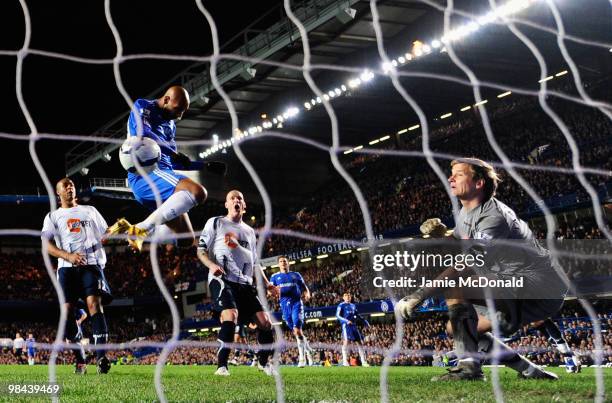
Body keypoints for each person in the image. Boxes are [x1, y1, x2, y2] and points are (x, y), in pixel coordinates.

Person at [397, 158, 567, 381]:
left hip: (539, 287)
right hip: (512, 284)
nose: (450, 178)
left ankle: (470, 369)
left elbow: (466, 264)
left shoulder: (494, 217)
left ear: (478, 183)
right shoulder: (466, 213)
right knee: (456, 329)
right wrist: (443, 233)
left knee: (456, 288)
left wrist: (418, 295)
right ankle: (529, 370)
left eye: (458, 174)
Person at [108, 86, 207, 251]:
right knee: (198, 192)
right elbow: (143, 132)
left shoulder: (170, 126)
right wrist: (173, 153)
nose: (180, 115)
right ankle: (142, 228)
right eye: (178, 109)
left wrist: (204, 166)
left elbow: (174, 161)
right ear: (167, 100)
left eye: (184, 111)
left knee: (185, 239)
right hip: (147, 174)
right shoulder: (143, 106)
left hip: (162, 176)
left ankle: (129, 229)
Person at [196, 190, 279, 376]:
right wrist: (211, 265)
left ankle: (263, 362)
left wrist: (268, 284)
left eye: (239, 198)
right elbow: (200, 250)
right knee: (230, 315)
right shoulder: (215, 222)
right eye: (232, 198)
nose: (236, 200)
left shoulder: (250, 232)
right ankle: (222, 366)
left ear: (244, 205)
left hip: (245, 283)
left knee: (266, 323)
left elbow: (255, 263)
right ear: (226, 204)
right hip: (222, 279)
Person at [41, 178, 113, 374]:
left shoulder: (90, 211)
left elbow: (106, 234)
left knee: (94, 305)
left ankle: (101, 358)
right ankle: (80, 358)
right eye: (65, 186)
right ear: (58, 193)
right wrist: (68, 256)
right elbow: (46, 245)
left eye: (71, 184)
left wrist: (120, 233)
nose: (69, 187)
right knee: (67, 313)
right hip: (66, 267)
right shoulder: (53, 217)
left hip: (91, 265)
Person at [270, 256, 314, 367]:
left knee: (297, 330)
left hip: (296, 304)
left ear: (288, 263)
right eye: (280, 261)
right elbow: (270, 290)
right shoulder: (274, 277)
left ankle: (302, 359)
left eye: (284, 261)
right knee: (296, 332)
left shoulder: (296, 275)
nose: (283, 263)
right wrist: (271, 293)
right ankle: (307, 349)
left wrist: (307, 293)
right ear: (278, 264)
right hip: (284, 307)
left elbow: (304, 287)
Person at [336, 292, 370, 367]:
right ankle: (345, 361)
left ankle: (364, 362)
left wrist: (365, 321)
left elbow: (357, 315)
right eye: (346, 296)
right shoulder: (341, 305)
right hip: (346, 325)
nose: (348, 297)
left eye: (349, 296)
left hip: (354, 326)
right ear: (343, 297)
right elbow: (337, 315)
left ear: (350, 297)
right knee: (346, 342)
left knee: (360, 343)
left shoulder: (353, 305)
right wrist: (346, 321)